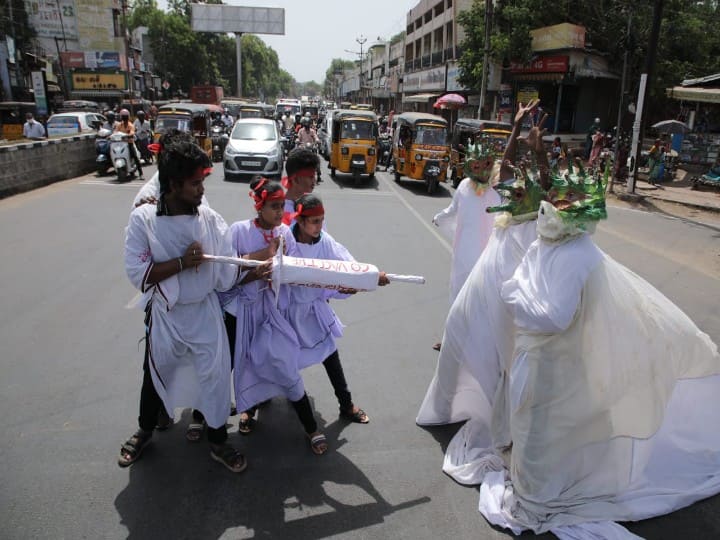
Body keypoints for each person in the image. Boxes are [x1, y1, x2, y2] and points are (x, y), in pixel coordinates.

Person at [476, 168, 720, 538]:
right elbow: (513, 284)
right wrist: (519, 296)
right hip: (531, 353)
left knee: (542, 431)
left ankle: (537, 498)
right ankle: (532, 489)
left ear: (581, 210)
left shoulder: (579, 254)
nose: (554, 205)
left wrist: (518, 298)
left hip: (555, 361)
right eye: (555, 197)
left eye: (565, 200)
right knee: (528, 426)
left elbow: (553, 316)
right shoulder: (545, 241)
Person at [120, 139, 246, 473]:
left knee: (216, 377)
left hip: (204, 314)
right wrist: (182, 263)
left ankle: (218, 440)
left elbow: (225, 274)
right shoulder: (143, 220)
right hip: (167, 315)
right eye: (195, 183)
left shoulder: (209, 218)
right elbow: (139, 275)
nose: (202, 189)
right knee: (156, 372)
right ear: (173, 184)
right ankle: (144, 430)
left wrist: (247, 266)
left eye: (202, 181)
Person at [417, 100, 548, 419]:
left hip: (506, 272)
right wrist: (516, 128)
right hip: (476, 266)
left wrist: (536, 148)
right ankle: (452, 385)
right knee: (459, 318)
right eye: (480, 165)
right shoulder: (482, 188)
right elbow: (505, 164)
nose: (488, 169)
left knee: (498, 334)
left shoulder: (523, 198)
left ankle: (496, 392)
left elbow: (541, 178)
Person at [219, 178, 328, 455]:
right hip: (241, 313)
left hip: (273, 313)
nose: (280, 212)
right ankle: (239, 413)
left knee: (284, 365)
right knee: (236, 363)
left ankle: (311, 426)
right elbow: (225, 277)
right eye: (274, 206)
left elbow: (290, 271)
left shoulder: (286, 234)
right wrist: (260, 262)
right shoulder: (239, 231)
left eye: (282, 206)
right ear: (259, 206)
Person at [285, 193, 389, 425]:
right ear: (300, 221)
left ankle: (346, 404)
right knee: (275, 359)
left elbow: (350, 266)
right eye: (314, 221)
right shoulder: (285, 240)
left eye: (322, 220)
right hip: (285, 312)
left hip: (313, 311)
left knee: (330, 355)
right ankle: (252, 408)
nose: (319, 226)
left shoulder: (326, 241)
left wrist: (372, 276)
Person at [431, 139, 501, 350]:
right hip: (462, 254)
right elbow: (453, 209)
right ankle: (450, 340)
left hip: (486, 256)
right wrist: (440, 216)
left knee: (482, 300)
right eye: (477, 165)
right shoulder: (462, 186)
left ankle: (479, 345)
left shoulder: (497, 193)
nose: (482, 169)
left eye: (487, 164)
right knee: (457, 295)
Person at [282, 147, 321, 223]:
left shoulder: (313, 208)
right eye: (311, 176)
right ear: (295, 180)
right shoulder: (278, 212)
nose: (314, 180)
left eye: (315, 175)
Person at [114, 109, 144, 179]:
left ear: (128, 117)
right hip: (120, 144)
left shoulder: (131, 125)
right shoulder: (119, 125)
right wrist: (110, 136)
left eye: (126, 117)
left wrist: (129, 135)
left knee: (135, 157)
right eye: (123, 117)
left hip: (129, 144)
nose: (124, 118)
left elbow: (132, 132)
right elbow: (115, 132)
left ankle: (141, 173)